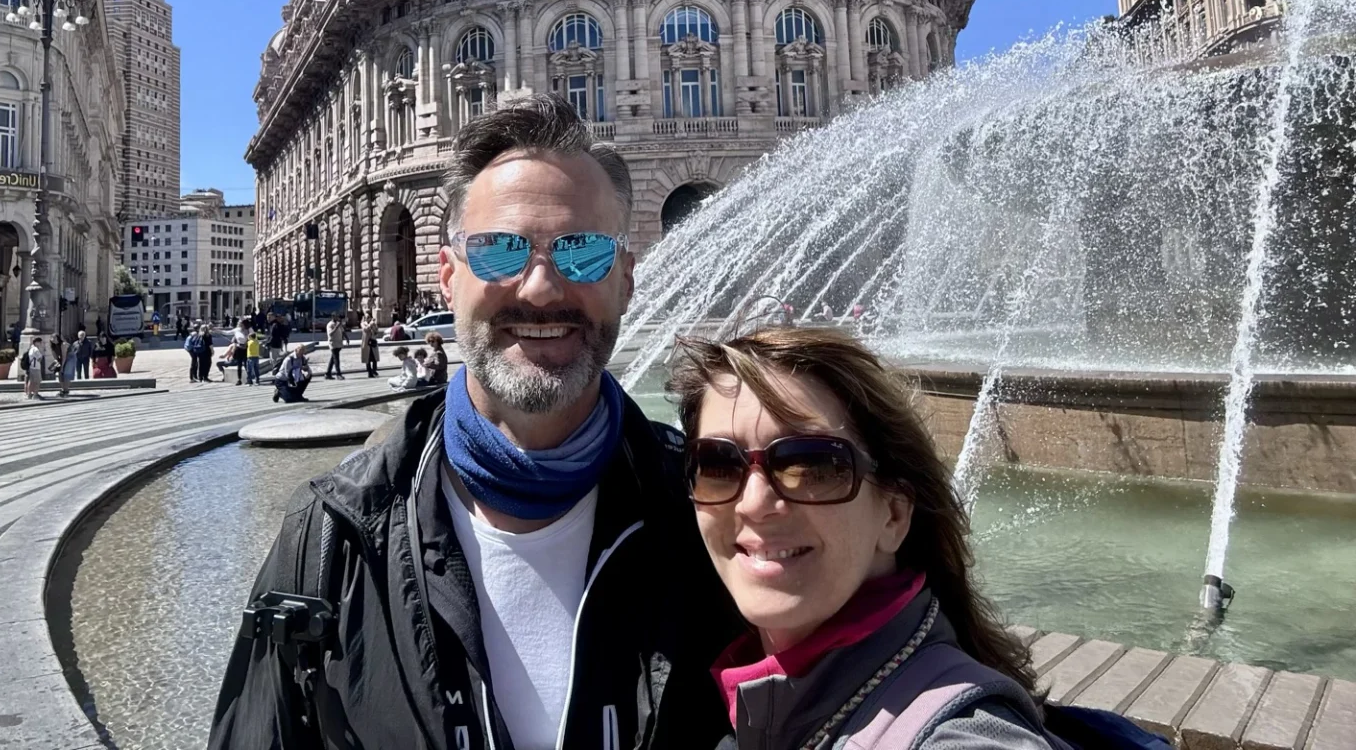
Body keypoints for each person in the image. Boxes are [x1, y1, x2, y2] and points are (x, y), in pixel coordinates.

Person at [210, 95, 735, 750]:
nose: (541, 290)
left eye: (582, 253)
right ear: (449, 277)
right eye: (498, 253)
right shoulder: (332, 537)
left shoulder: (719, 520)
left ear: (626, 280)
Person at [668, 326, 1061, 750]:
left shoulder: (960, 732)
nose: (754, 502)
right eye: (718, 466)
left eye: (813, 466)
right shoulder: (762, 701)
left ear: (893, 514)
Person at [230, 319, 252, 385]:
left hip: (246, 348)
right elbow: (227, 333)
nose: (240, 324)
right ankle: (239, 380)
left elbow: (253, 336)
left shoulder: (248, 329)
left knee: (246, 364)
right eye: (239, 323)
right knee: (239, 365)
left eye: (241, 323)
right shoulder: (237, 330)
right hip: (239, 349)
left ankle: (249, 379)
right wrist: (217, 330)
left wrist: (247, 343)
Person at [323, 314, 345, 380]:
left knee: (333, 359)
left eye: (337, 316)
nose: (337, 318)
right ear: (332, 317)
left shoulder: (338, 324)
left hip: (338, 343)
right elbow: (330, 334)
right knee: (336, 359)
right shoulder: (330, 324)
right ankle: (338, 374)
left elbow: (343, 331)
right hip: (333, 344)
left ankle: (328, 373)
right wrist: (336, 327)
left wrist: (346, 338)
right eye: (336, 317)